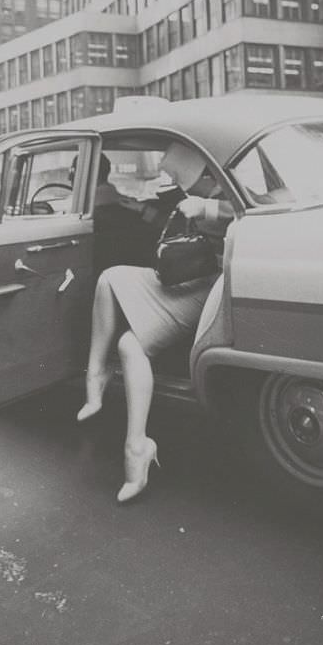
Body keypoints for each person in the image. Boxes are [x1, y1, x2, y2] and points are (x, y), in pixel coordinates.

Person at [76, 141, 233, 503]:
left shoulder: (231, 192)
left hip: (214, 287)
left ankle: (136, 449)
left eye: (187, 182)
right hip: (191, 279)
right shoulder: (204, 192)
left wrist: (209, 207)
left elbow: (262, 212)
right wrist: (150, 211)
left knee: (129, 345)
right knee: (109, 277)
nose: (186, 190)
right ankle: (95, 375)